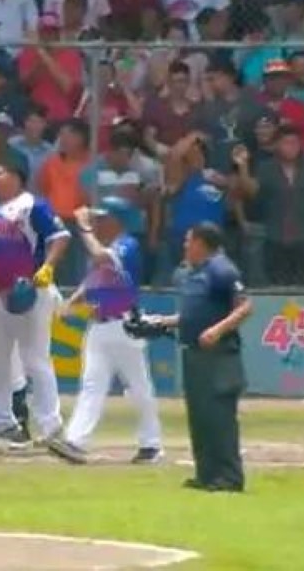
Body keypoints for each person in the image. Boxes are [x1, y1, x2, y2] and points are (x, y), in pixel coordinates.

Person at [52, 197, 163, 464]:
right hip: (99, 326)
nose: (97, 223)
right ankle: (75, 441)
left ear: (116, 220)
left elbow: (103, 259)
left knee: (138, 387)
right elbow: (94, 279)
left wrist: (85, 230)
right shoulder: (107, 246)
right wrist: (72, 302)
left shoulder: (127, 244)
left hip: (125, 326)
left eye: (103, 219)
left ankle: (151, 444)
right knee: (92, 385)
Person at [0, 156, 70, 450]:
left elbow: (60, 236)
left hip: (29, 290)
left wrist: (48, 266)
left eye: (0, 171)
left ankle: (51, 424)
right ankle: (1, 420)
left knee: (35, 358)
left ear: (16, 177)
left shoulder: (32, 205)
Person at [158, 223, 252, 492]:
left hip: (219, 355)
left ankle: (229, 477)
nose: (186, 246)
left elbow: (245, 306)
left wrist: (217, 330)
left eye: (190, 240)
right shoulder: (193, 274)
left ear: (201, 243)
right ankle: (206, 474)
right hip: (194, 354)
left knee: (219, 417)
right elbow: (194, 315)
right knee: (199, 416)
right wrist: (164, 322)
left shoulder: (222, 269)